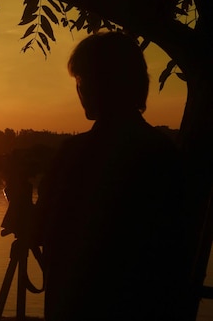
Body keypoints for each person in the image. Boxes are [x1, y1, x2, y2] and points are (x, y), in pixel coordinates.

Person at [34, 31, 189, 321]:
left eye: (82, 81)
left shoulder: (76, 154)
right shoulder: (163, 152)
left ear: (99, 84)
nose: (80, 91)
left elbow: (41, 228)